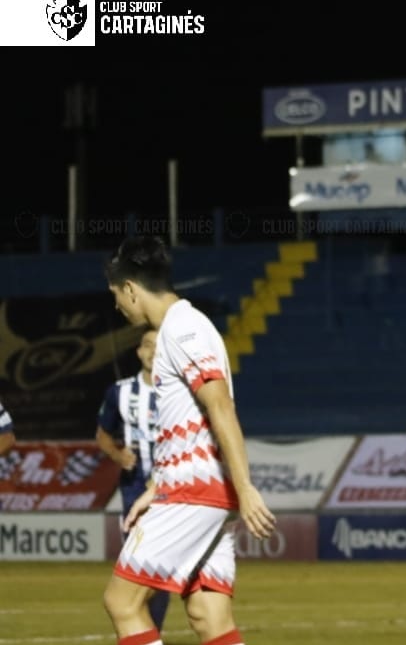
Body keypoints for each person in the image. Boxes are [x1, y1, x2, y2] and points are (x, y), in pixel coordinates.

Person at [102, 236, 275, 645]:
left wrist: (246, 487)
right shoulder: (181, 328)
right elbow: (190, 421)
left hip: (194, 492)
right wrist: (155, 487)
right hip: (197, 491)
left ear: (130, 288)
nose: (117, 306)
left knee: (122, 602)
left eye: (116, 295)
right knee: (207, 616)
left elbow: (220, 406)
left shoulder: (183, 329)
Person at [96, 329, 170, 633]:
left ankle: (152, 632)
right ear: (138, 352)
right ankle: (146, 630)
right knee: (139, 566)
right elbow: (102, 435)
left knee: (163, 566)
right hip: (134, 490)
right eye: (148, 345)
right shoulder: (120, 392)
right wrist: (118, 454)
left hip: (172, 492)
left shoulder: (180, 393)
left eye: (159, 346)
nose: (153, 351)